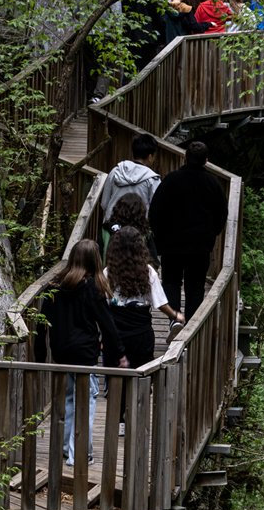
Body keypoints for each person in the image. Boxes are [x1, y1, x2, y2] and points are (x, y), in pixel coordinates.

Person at [37, 239, 121, 467]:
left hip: (61, 352)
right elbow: (108, 325)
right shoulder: (92, 288)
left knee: (70, 399)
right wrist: (120, 354)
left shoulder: (54, 286)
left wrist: (40, 353)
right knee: (87, 402)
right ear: (95, 261)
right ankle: (80, 454)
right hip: (84, 355)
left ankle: (67, 449)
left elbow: (41, 322)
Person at [148, 141, 227, 335]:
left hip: (171, 244)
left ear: (185, 157)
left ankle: (175, 319)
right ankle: (191, 326)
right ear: (206, 161)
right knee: (195, 285)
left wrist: (160, 236)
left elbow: (155, 211)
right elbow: (221, 214)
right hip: (200, 245)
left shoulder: (171, 180)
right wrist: (211, 234)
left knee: (171, 282)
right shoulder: (213, 184)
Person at [104, 225, 184, 370]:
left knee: (114, 373)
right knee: (141, 373)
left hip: (115, 333)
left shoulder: (107, 272)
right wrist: (174, 315)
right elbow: (160, 303)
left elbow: (103, 303)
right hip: (140, 332)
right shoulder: (147, 272)